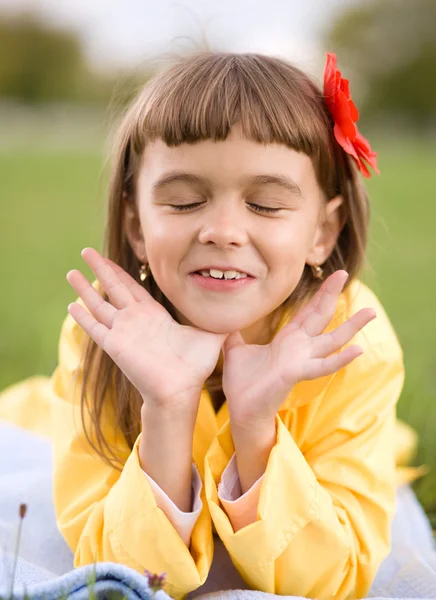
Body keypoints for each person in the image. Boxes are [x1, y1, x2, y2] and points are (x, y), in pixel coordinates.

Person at [0, 51, 428, 600]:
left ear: (323, 231)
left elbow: (330, 582)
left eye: (267, 205)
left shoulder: (351, 344)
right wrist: (168, 410)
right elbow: (122, 576)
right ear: (136, 225)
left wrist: (256, 432)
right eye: (184, 201)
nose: (223, 230)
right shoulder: (104, 335)